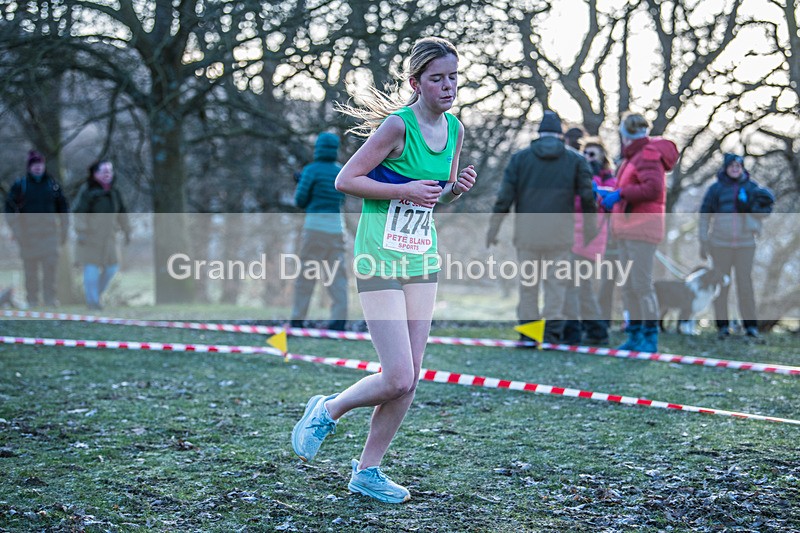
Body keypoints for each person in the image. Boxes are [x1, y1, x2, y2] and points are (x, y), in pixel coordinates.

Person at [290, 37, 476, 504]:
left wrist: (457, 189)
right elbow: (345, 180)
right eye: (437, 78)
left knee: (411, 376)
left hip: (422, 258)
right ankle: (329, 410)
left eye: (453, 77)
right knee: (396, 376)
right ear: (416, 83)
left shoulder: (454, 130)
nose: (448, 86)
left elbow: (436, 194)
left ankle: (367, 471)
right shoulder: (398, 126)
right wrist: (403, 191)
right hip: (379, 257)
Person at [486, 110, 596, 343]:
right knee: (556, 286)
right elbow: (588, 197)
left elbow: (504, 198)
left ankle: (529, 335)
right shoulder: (576, 160)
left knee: (529, 286)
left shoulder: (520, 159)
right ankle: (552, 336)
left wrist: (493, 229)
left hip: (528, 236)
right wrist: (590, 229)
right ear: (560, 134)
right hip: (560, 236)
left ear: (539, 132)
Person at [598, 113, 678, 352]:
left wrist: (620, 195)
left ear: (625, 134)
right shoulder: (632, 158)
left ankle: (649, 337)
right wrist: (607, 191)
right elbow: (631, 187)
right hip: (625, 228)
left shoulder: (647, 155)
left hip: (641, 229)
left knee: (642, 285)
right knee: (629, 286)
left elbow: (652, 189)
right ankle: (634, 335)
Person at [698, 153, 774, 340]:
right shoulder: (715, 189)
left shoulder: (752, 187)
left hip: (746, 244)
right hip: (720, 244)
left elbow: (764, 211)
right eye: (731, 166)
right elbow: (704, 215)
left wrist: (754, 213)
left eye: (738, 166)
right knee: (722, 285)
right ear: (725, 168)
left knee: (745, 285)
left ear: (742, 168)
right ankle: (722, 326)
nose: (735, 168)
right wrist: (703, 240)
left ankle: (751, 327)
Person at [290, 132, 349, 331]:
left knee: (306, 277)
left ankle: (298, 320)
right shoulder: (342, 171)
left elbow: (300, 201)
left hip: (314, 230)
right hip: (337, 231)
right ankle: (338, 322)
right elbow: (340, 199)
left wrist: (301, 182)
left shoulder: (311, 170)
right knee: (337, 278)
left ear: (318, 148)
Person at [562, 138, 616, 345]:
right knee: (580, 286)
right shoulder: (576, 174)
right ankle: (596, 331)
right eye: (586, 153)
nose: (588, 158)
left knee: (574, 286)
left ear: (602, 157)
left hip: (590, 239)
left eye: (593, 154)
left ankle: (577, 332)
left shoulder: (609, 179)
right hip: (571, 236)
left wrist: (594, 188)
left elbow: (608, 204)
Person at [4, 150, 69, 307]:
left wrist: (64, 231)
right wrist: (17, 231)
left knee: (50, 270)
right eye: (34, 165)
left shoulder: (53, 185)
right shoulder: (21, 186)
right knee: (30, 272)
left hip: (50, 235)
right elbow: (9, 209)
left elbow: (64, 209)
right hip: (27, 236)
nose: (38, 168)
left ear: (44, 165)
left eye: (40, 164)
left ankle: (50, 299)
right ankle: (32, 299)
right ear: (29, 167)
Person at [72, 160, 131, 310]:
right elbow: (79, 213)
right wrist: (82, 232)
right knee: (91, 270)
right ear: (95, 174)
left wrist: (127, 230)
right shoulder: (87, 191)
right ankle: (93, 302)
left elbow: (122, 213)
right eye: (104, 171)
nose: (107, 174)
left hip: (110, 238)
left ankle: (95, 295)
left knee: (112, 267)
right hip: (90, 238)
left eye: (109, 171)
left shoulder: (115, 192)